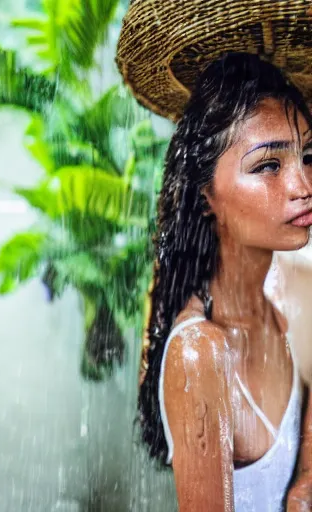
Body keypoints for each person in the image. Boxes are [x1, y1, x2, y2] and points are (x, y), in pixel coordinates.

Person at [115, 3, 312, 510]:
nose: (303, 185)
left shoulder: (297, 293)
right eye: (268, 165)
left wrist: (304, 483)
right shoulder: (200, 355)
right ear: (206, 194)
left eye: (308, 156)